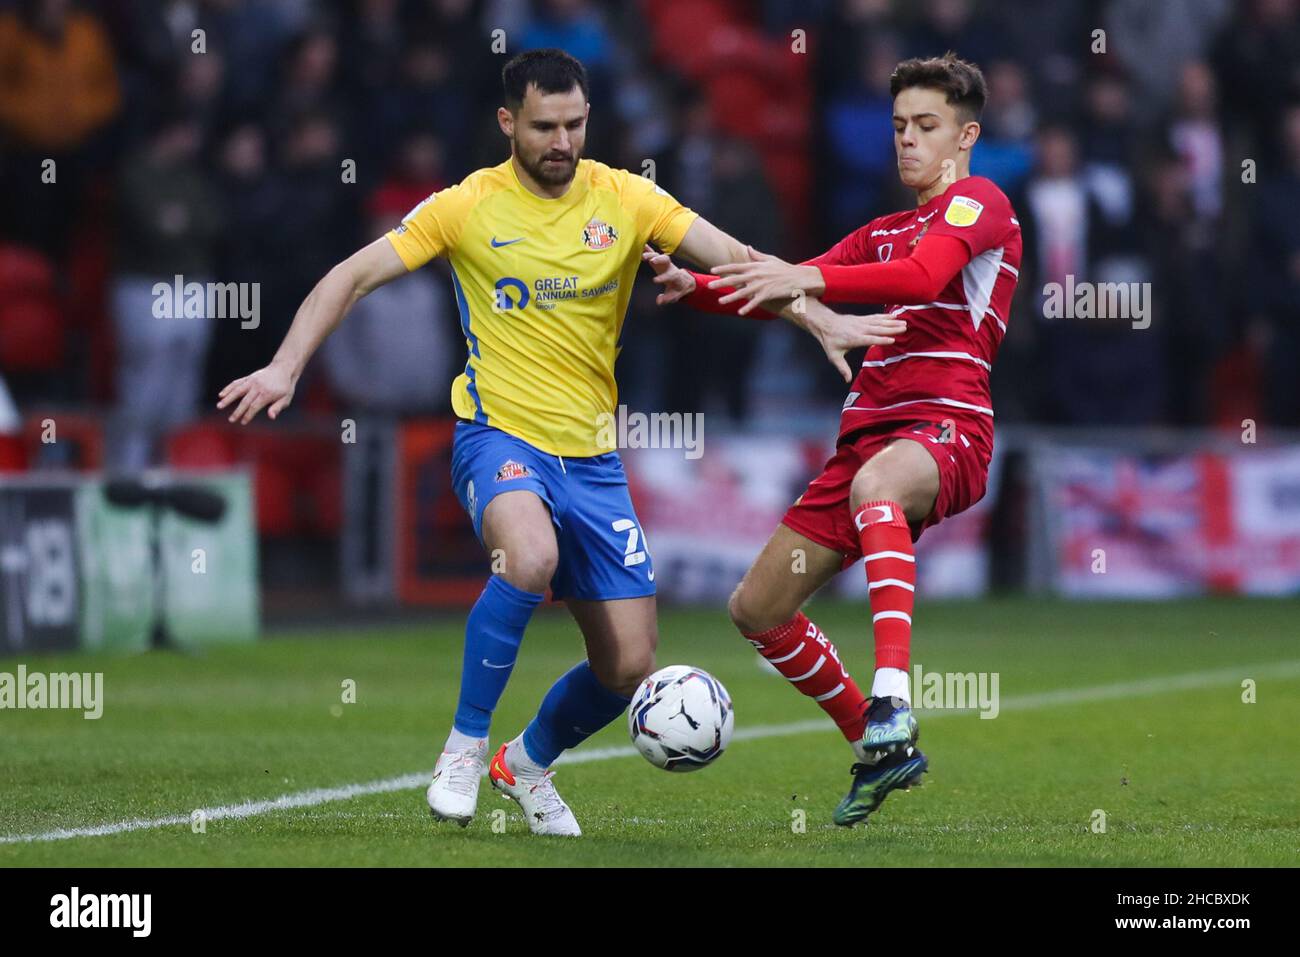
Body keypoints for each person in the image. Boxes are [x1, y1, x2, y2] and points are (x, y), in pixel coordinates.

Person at [216, 48, 900, 836]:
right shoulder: (468, 206)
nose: (562, 141)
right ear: (509, 122)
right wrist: (285, 365)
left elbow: (742, 261)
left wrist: (821, 316)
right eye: (545, 126)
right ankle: (465, 746)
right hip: (497, 435)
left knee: (629, 663)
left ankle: (527, 761)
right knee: (530, 558)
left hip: (593, 462)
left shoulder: (629, 197)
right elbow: (352, 276)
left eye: (575, 124)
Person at [647, 52, 1021, 825]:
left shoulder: (980, 204)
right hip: (863, 444)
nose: (907, 141)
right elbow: (789, 285)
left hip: (945, 428)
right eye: (898, 127)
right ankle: (877, 744)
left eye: (926, 126)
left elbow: (919, 280)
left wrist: (804, 280)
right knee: (757, 606)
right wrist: (701, 288)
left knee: (878, 486)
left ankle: (893, 694)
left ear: (966, 135)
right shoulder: (881, 230)